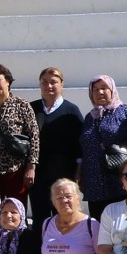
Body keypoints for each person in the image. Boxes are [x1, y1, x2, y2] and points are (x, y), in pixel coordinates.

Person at [79, 76, 127, 220]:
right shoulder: (89, 118)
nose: (100, 92)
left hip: (120, 180)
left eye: (104, 88)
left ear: (112, 90)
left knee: (122, 224)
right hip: (95, 183)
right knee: (99, 226)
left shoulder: (125, 111)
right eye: (96, 89)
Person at [31, 67, 84, 229]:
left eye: (53, 82)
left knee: (63, 217)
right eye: (44, 82)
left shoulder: (71, 111)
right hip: (38, 176)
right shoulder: (31, 109)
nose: (49, 86)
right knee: (40, 218)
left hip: (63, 175)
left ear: (61, 84)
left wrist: (78, 171)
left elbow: (79, 145)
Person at [0, 64, 40, 201]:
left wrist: (31, 167)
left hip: (17, 169)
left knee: (16, 211)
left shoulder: (22, 104)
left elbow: (34, 136)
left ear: (8, 80)